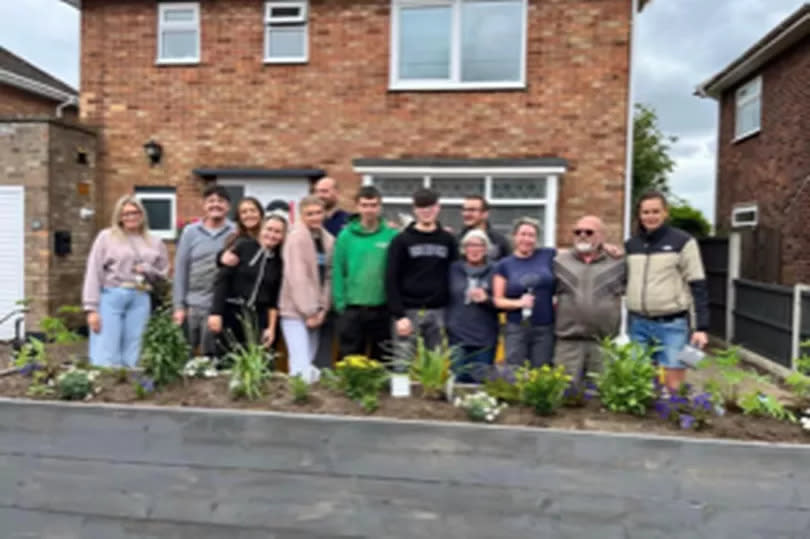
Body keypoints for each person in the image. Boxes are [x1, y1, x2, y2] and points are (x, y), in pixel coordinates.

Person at [626, 190, 709, 391]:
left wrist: (701, 327)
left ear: (665, 213)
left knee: (673, 384)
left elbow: (697, 284)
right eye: (645, 212)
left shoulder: (683, 242)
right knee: (639, 382)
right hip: (638, 324)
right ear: (639, 215)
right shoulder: (632, 244)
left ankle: (674, 414)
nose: (650, 216)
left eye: (655, 211)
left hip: (672, 325)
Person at [82, 195, 169, 367]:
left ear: (142, 214)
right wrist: (91, 308)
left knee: (135, 347)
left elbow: (164, 274)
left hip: (140, 295)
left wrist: (148, 270)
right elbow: (93, 271)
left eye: (135, 213)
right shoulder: (106, 237)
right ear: (119, 216)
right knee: (106, 346)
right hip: (112, 294)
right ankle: (106, 384)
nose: (131, 217)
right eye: (126, 214)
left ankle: (130, 386)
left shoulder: (154, 241)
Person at [554, 216, 626, 387]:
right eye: (577, 232)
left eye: (589, 232)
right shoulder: (559, 262)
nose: (582, 235)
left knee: (602, 394)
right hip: (568, 343)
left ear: (601, 236)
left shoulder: (618, 263)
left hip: (603, 343)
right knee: (563, 394)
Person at [386, 188, 457, 352]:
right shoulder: (401, 240)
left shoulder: (448, 240)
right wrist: (399, 315)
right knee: (403, 367)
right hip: (408, 312)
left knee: (437, 367)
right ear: (414, 210)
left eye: (430, 207)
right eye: (422, 207)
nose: (426, 211)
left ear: (438, 208)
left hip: (440, 312)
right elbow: (391, 278)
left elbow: (455, 275)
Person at [332, 186, 398, 361]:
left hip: (381, 309)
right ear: (357, 207)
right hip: (353, 309)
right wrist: (340, 305)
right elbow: (338, 270)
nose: (369, 210)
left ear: (380, 207)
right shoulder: (346, 236)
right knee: (351, 361)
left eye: (373, 205)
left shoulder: (391, 235)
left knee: (382, 362)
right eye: (365, 205)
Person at [207, 215, 286, 355]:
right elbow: (223, 280)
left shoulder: (279, 262)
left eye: (277, 232)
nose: (272, 235)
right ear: (261, 229)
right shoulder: (243, 246)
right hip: (231, 313)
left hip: (257, 317)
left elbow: (274, 300)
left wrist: (271, 328)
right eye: (269, 229)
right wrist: (216, 312)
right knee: (225, 361)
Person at [172, 185, 234, 356]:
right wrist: (178, 306)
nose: (216, 205)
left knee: (212, 358)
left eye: (221, 201)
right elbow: (181, 269)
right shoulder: (190, 232)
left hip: (218, 307)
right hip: (192, 305)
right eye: (211, 201)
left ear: (228, 206)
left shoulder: (234, 232)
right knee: (184, 356)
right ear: (204, 205)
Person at [279, 196, 334, 382]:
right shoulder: (295, 238)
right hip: (295, 311)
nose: (315, 217)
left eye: (318, 213)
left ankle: (306, 403)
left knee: (309, 363)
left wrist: (322, 309)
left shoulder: (327, 240)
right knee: (299, 365)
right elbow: (298, 277)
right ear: (302, 215)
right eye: (309, 214)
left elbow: (329, 276)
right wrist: (309, 311)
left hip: (316, 312)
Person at [493, 218, 556, 367]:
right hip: (516, 327)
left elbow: (576, 253)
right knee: (514, 371)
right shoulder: (504, 265)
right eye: (523, 234)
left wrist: (606, 248)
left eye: (531, 235)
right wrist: (519, 303)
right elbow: (498, 300)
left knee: (542, 371)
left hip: (544, 327)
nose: (526, 239)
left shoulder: (548, 255)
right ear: (515, 236)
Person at [446, 229, 499, 382]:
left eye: (479, 245)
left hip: (485, 338)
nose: (474, 249)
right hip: (457, 337)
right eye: (470, 245)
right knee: (458, 384)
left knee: (480, 385)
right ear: (464, 248)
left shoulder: (496, 270)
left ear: (486, 249)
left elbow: (503, 301)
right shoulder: (453, 269)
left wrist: (487, 299)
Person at [459, 195, 511, 261]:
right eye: (464, 210)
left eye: (472, 210)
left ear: (485, 214)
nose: (466, 214)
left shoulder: (499, 241)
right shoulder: (456, 241)